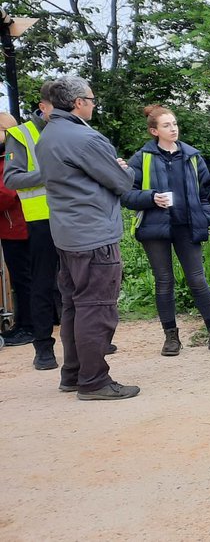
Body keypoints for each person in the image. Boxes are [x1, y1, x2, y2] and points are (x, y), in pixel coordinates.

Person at [36, 76, 139, 400]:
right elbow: (122, 182)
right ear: (78, 102)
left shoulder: (48, 133)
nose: (94, 105)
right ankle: (94, 381)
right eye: (92, 99)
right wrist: (126, 170)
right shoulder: (85, 138)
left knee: (74, 306)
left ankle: (74, 374)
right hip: (94, 235)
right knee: (97, 307)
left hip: (67, 235)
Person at [122, 105, 210, 356]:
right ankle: (171, 337)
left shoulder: (193, 156)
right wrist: (151, 198)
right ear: (154, 131)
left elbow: (207, 193)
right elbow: (125, 195)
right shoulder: (142, 158)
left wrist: (205, 217)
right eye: (166, 125)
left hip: (188, 226)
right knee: (164, 281)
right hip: (154, 228)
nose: (173, 129)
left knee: (197, 279)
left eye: (174, 124)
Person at [3, 89, 63, 369]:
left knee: (77, 282)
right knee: (42, 283)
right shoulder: (22, 133)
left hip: (75, 217)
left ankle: (86, 340)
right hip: (40, 221)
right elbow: (12, 179)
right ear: (43, 106)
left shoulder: (72, 127)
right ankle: (43, 347)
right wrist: (50, 174)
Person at [0, 113, 33, 348]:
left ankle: (28, 327)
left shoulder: (9, 156)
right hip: (14, 226)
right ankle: (24, 324)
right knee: (21, 280)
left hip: (18, 228)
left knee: (24, 281)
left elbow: (7, 193)